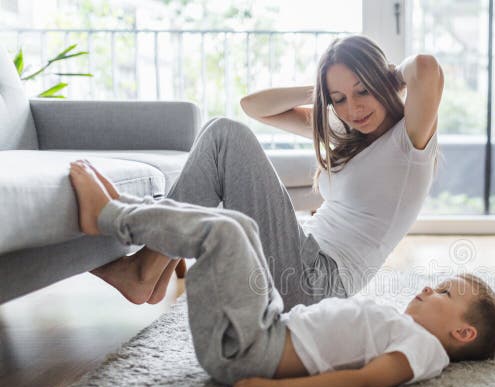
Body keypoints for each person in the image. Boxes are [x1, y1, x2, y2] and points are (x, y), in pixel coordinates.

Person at [68, 159, 495, 387]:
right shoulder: (412, 331)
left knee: (222, 234)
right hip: (269, 324)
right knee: (240, 225)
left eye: (445, 293)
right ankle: (126, 210)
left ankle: (109, 215)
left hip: (250, 353)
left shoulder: (425, 350)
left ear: (462, 333)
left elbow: (364, 382)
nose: (431, 288)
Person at [89, 34, 445, 311]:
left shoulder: (408, 142)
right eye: (339, 99)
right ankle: (154, 271)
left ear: (382, 82)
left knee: (224, 136)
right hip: (300, 264)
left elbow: (426, 68)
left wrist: (388, 77)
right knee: (222, 136)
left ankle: (146, 270)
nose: (353, 108)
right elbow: (254, 106)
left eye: (363, 90)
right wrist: (322, 91)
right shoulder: (349, 135)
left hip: (316, 283)